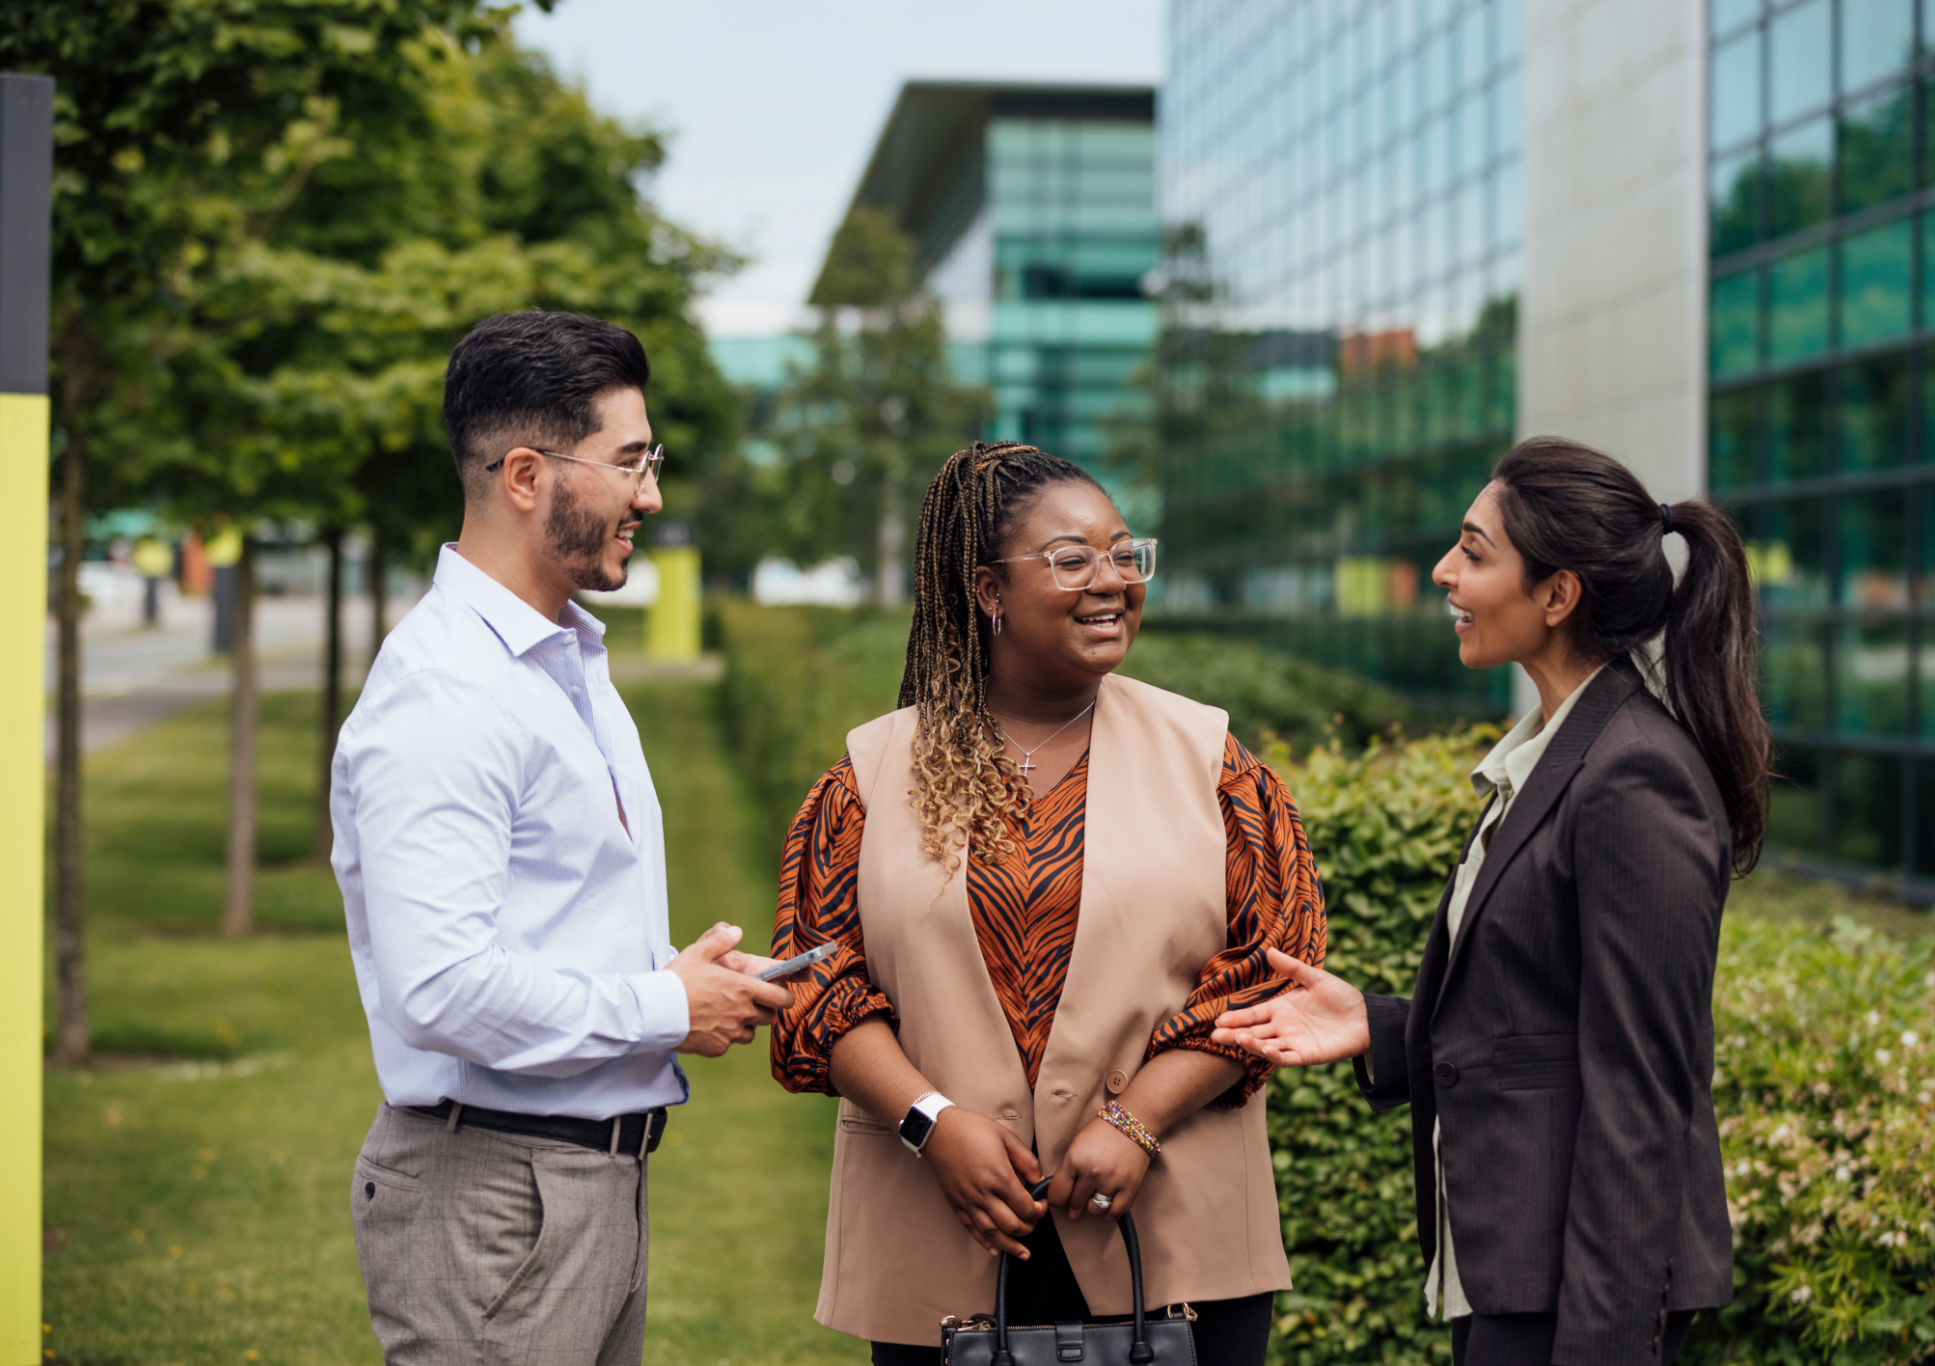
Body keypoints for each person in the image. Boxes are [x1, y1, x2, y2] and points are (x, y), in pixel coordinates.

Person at [1214, 436, 1769, 1366]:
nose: (1443, 573)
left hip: (1581, 1295)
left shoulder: (1633, 779)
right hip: (1519, 1270)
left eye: (1474, 552)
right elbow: (1543, 1015)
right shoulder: (1558, 753)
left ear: (1558, 596)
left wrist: (1599, 1348)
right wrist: (1380, 1026)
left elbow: (1641, 1091)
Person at [769, 442, 1328, 1364]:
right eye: (1073, 560)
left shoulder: (1215, 762)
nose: (1111, 582)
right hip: (944, 1234)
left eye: (1124, 554)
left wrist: (1138, 1117)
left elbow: (1275, 973)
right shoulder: (871, 776)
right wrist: (931, 1121)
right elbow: (817, 991)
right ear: (988, 591)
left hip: (1172, 1241)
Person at [330, 310, 793, 1365]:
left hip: (583, 1184)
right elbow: (439, 986)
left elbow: (543, 921)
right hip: (496, 1193)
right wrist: (665, 1003)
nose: (652, 496)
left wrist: (678, 982)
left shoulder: (564, 660)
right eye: (630, 462)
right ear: (527, 474)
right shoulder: (444, 693)